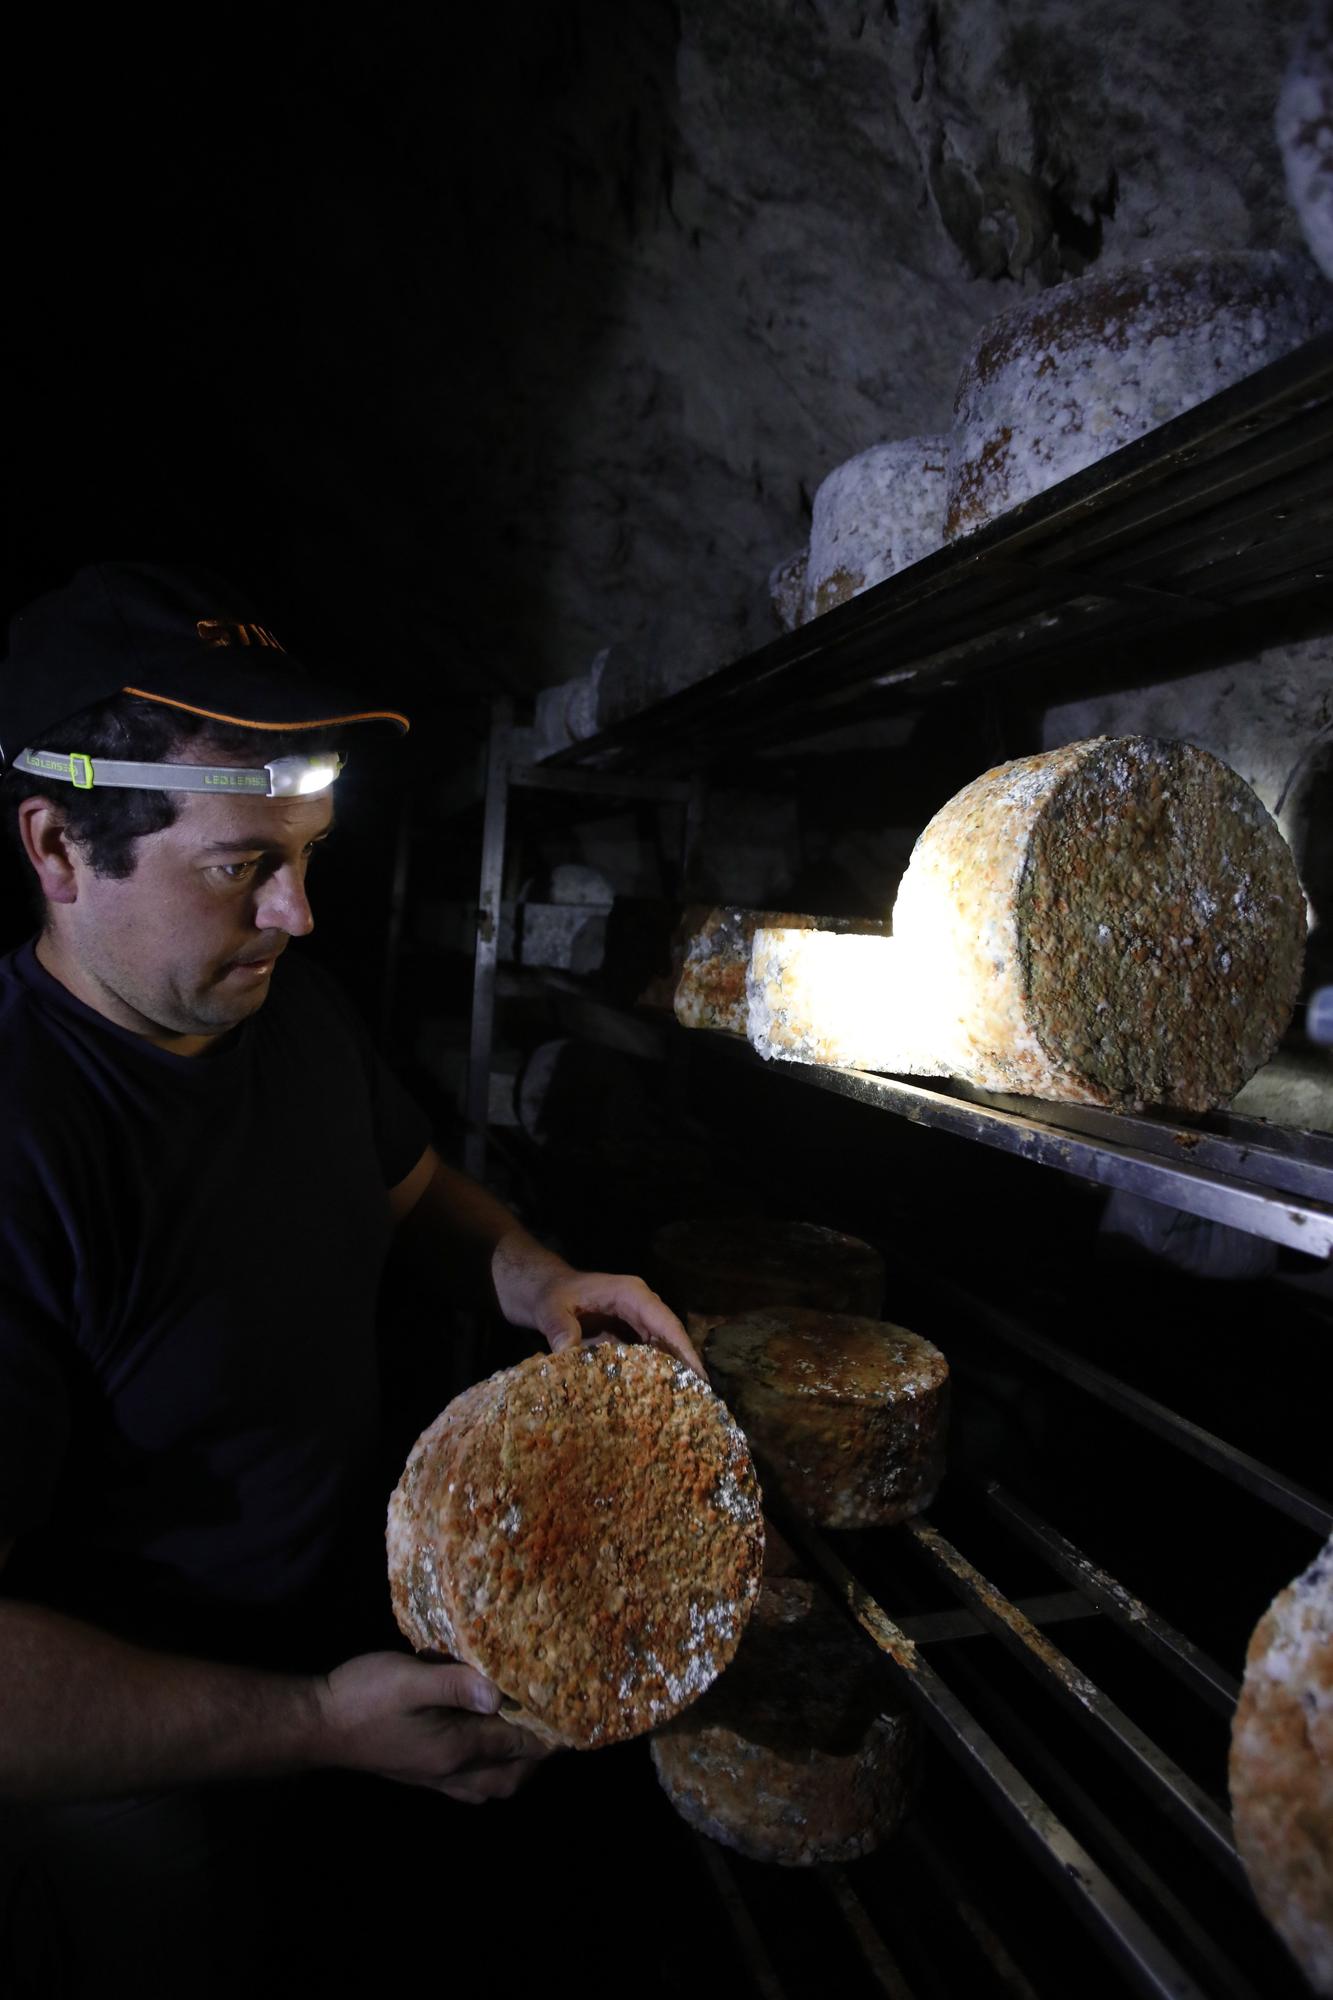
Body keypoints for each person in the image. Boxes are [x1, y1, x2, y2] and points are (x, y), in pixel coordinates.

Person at [0, 562, 701, 1995]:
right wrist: (314, 1721)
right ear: (59, 851)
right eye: (242, 864)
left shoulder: (276, 1005)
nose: (300, 914)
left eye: (307, 855)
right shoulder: (22, 1143)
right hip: (156, 1772)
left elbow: (403, 1183)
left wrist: (530, 1275)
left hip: (354, 1651)